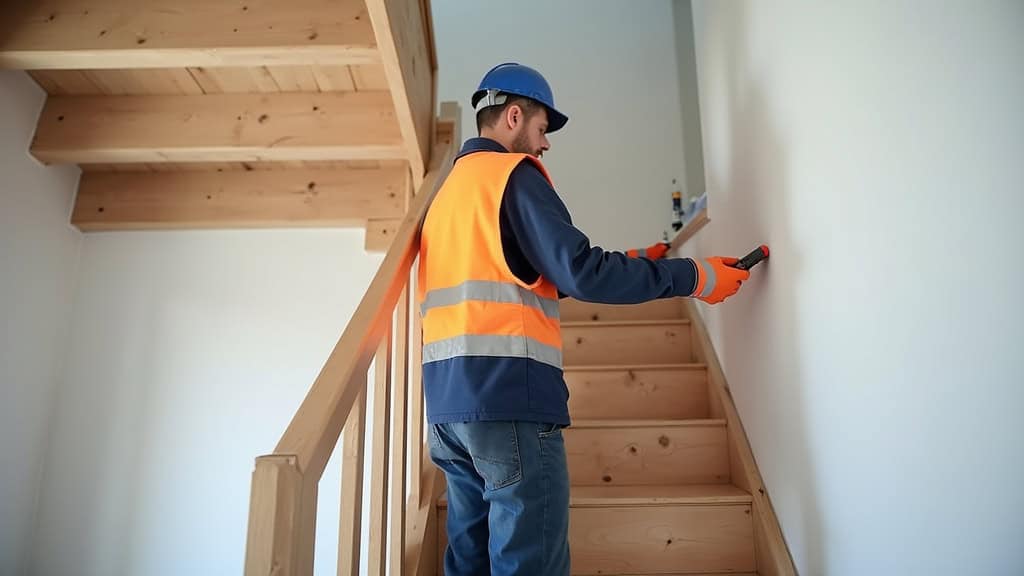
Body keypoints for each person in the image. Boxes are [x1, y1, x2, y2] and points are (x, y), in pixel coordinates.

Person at [417, 62, 749, 576]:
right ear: (513, 116)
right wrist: (693, 277)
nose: (545, 144)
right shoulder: (513, 176)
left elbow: (518, 279)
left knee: (469, 559)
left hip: (446, 410)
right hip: (510, 403)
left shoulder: (447, 195)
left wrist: (641, 258)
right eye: (542, 129)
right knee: (529, 564)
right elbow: (583, 274)